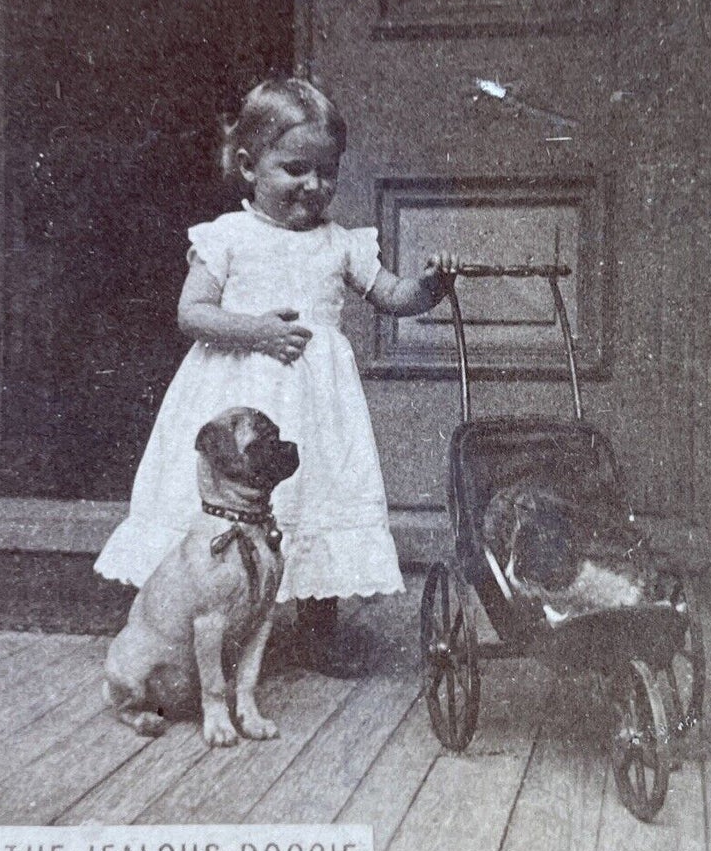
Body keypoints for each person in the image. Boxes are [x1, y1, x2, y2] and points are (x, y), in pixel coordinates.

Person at [94, 77, 458, 672]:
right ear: (248, 165)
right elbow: (192, 313)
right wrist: (256, 330)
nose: (313, 186)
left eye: (327, 172)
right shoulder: (228, 237)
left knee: (317, 495)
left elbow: (390, 293)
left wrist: (429, 288)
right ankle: (185, 618)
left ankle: (318, 628)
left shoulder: (340, 244)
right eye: (294, 169)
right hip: (234, 394)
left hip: (315, 406)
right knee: (210, 512)